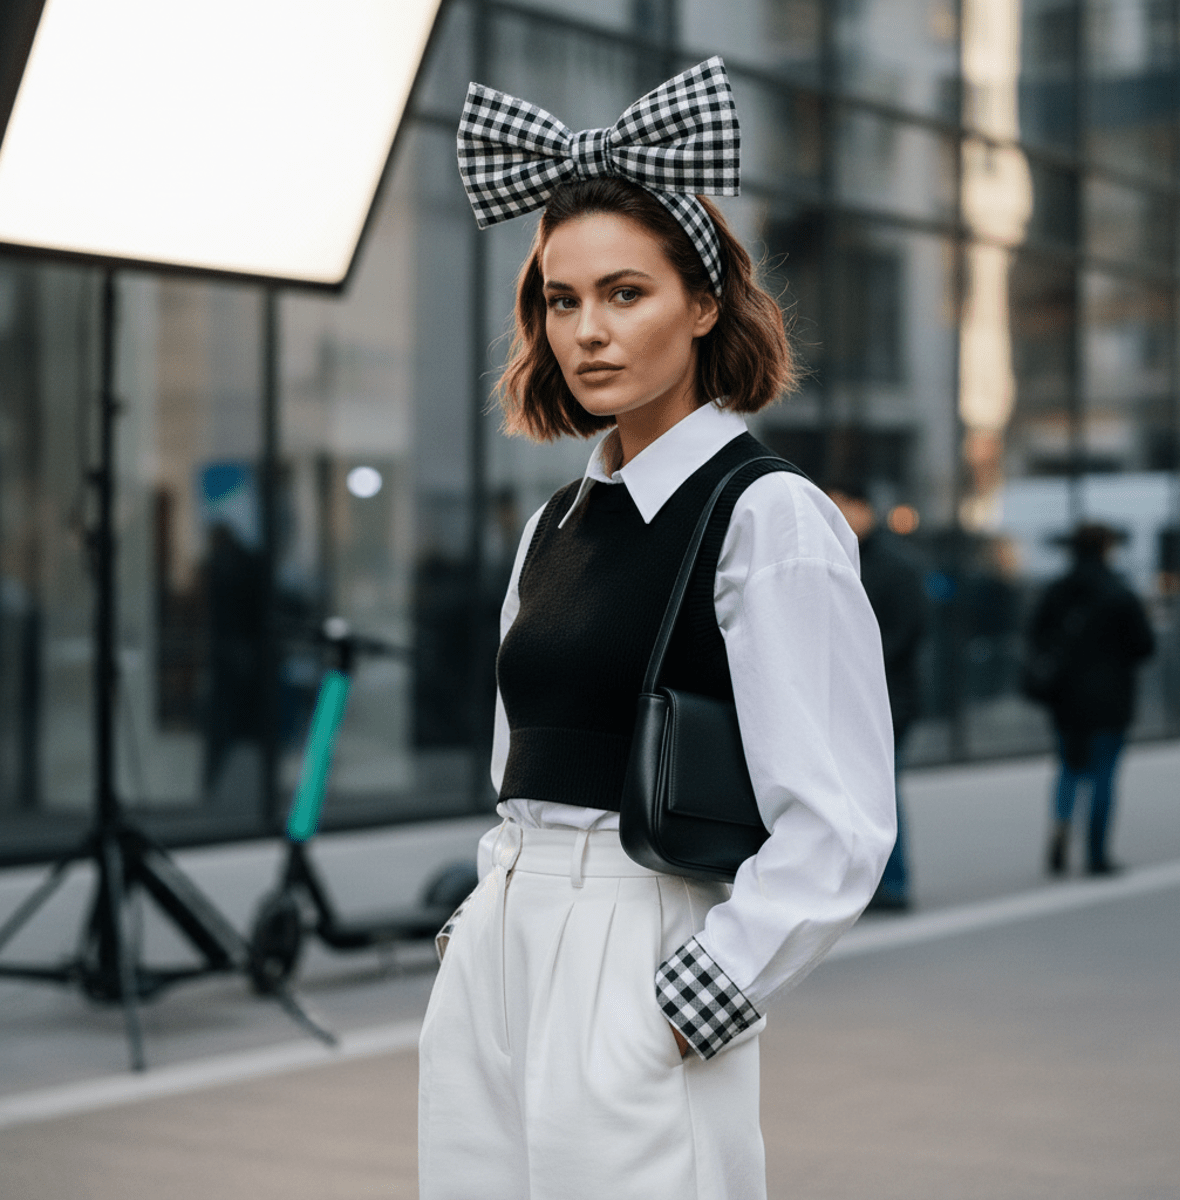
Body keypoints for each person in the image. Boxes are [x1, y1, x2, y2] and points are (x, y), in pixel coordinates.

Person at [418, 60, 895, 1200]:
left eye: (625, 294)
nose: (588, 331)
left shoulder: (765, 514)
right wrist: (484, 927)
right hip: (498, 958)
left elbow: (838, 824)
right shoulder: (555, 523)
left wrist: (691, 1004)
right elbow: (518, 774)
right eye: (561, 300)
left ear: (704, 303)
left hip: (638, 953)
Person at [1025, 523, 1155, 877]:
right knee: (1103, 775)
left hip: (1066, 698)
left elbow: (1035, 636)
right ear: (1105, 550)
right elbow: (1144, 645)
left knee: (1069, 768)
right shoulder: (1120, 593)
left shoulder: (1057, 591)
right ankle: (1097, 854)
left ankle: (1061, 824)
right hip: (1110, 700)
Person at [827, 480, 927, 910]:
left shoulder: (895, 565)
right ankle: (868, 885)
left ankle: (894, 883)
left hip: (888, 700)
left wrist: (855, 667)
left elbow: (906, 632)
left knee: (878, 792)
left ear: (864, 508)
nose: (833, 515)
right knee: (855, 794)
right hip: (844, 698)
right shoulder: (830, 556)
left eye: (840, 506)